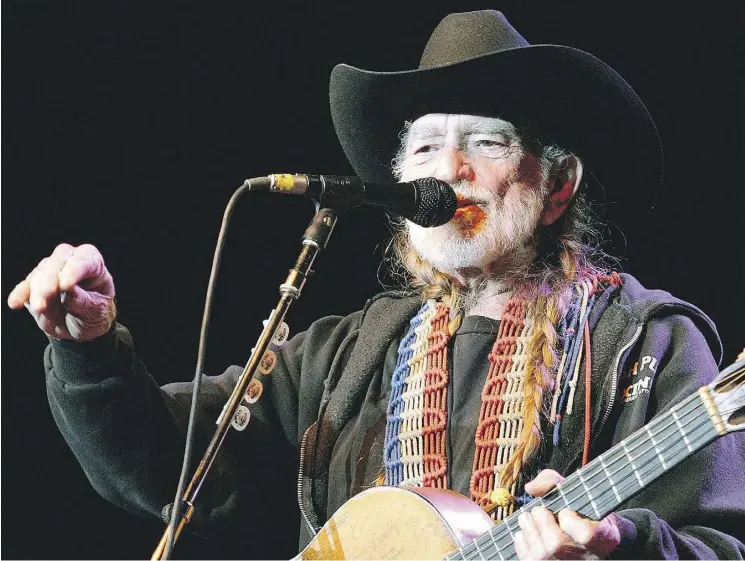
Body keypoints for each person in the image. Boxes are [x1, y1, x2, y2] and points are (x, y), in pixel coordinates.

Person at [8, 9, 745, 560]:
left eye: (484, 141)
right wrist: (91, 350)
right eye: (425, 144)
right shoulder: (345, 355)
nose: (446, 167)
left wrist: (625, 545)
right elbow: (167, 466)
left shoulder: (642, 341)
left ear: (556, 184)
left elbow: (720, 544)